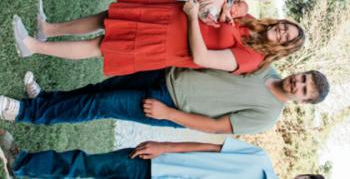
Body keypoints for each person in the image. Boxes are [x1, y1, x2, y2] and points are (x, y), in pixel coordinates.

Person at [12, 0, 305, 76]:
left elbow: (202, 57)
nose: (280, 31)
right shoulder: (252, 23)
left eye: (285, 37)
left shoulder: (250, 59)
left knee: (100, 45)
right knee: (106, 17)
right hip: (167, 17)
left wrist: (192, 17)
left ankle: (32, 46)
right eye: (284, 26)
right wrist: (219, 3)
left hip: (164, 44)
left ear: (281, 48)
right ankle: (48, 30)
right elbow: (221, 14)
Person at [0, 66, 330, 134]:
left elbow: (216, 126)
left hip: (169, 105)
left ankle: (24, 113)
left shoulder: (268, 116)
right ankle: (44, 100)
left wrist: (167, 113)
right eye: (303, 78)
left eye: (304, 90)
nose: (297, 83)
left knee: (100, 105)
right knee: (99, 90)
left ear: (302, 102)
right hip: (167, 74)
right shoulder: (267, 68)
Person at [0, 130, 321, 179]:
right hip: (156, 166)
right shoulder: (258, 159)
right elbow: (206, 147)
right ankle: (22, 164)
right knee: (87, 163)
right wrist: (163, 147)